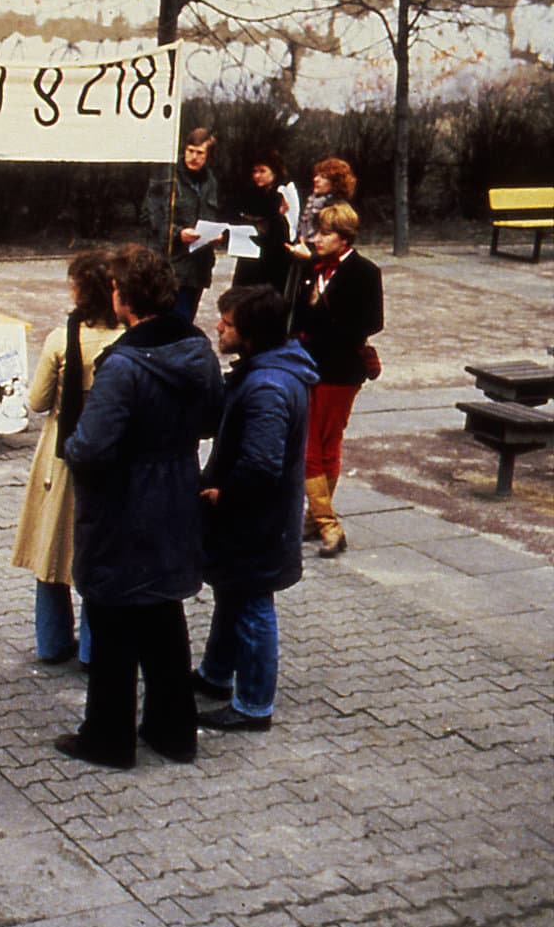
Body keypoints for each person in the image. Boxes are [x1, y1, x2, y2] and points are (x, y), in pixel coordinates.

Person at [57, 244, 223, 770]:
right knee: (163, 614)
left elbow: (91, 447)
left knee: (112, 618)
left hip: (123, 502)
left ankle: (108, 738)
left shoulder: (123, 365)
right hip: (175, 492)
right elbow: (211, 418)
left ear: (123, 296)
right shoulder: (196, 348)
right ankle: (174, 732)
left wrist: (75, 447)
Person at [194, 285, 317, 732]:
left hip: (256, 521)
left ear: (250, 333)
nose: (218, 328)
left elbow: (262, 463)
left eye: (227, 324)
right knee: (234, 591)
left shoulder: (267, 387)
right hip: (256, 519)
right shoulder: (270, 371)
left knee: (251, 603)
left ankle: (253, 704)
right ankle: (215, 674)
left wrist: (224, 495)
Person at [11, 249, 123, 668]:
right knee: (99, 552)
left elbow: (38, 401)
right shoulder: (125, 338)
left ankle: (52, 641)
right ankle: (95, 647)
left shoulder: (61, 339)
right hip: (110, 453)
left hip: (61, 452)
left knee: (52, 547)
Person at [293, 204, 383, 558]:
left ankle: (328, 524)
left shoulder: (364, 272)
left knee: (318, 447)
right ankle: (315, 520)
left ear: (344, 238)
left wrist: (325, 325)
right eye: (317, 232)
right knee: (319, 446)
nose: (317, 239)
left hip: (340, 371)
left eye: (325, 233)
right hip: (310, 366)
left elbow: (372, 321)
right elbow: (299, 314)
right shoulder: (312, 268)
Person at [141, 128, 222, 322]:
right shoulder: (167, 177)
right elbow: (149, 218)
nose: (194, 157)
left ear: (208, 155)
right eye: (190, 150)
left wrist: (215, 236)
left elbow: (211, 217)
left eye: (200, 152)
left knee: (185, 324)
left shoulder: (210, 182)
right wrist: (178, 233)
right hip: (169, 267)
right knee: (164, 324)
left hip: (198, 269)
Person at [286, 159, 357, 334]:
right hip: (303, 265)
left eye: (323, 176)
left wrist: (311, 257)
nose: (316, 179)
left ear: (335, 182)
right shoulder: (312, 202)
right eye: (316, 175)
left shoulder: (337, 209)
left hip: (321, 266)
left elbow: (340, 249)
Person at [232, 149, 293, 296]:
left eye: (262, 171)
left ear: (274, 172)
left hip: (274, 258)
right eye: (255, 171)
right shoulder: (251, 194)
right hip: (250, 256)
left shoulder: (283, 194)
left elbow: (289, 226)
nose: (257, 176)